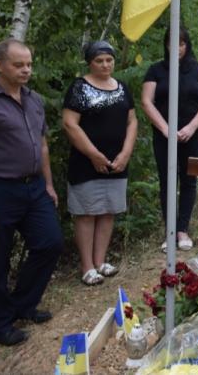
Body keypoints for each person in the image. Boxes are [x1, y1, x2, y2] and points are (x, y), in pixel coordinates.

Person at [0, 39, 63, 346]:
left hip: (34, 187)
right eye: (18, 65)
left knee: (50, 243)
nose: (26, 70)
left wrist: (48, 184)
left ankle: (22, 305)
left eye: (29, 64)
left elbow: (42, 146)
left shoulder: (34, 100)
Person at [62, 41, 137, 285]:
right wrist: (93, 154)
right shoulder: (79, 88)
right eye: (99, 60)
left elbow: (132, 121)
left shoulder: (122, 88)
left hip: (117, 162)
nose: (105, 65)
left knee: (108, 211)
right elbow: (70, 124)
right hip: (87, 162)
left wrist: (126, 153)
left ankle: (101, 261)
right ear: (90, 62)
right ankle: (87, 267)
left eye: (109, 60)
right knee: (86, 213)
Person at [142, 26, 198, 251]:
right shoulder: (156, 70)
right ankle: (170, 231)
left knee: (189, 180)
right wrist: (165, 129)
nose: (178, 48)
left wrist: (192, 127)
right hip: (164, 135)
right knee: (167, 181)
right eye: (173, 43)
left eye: (182, 44)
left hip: (192, 134)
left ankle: (182, 229)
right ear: (166, 45)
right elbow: (147, 101)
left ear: (187, 45)